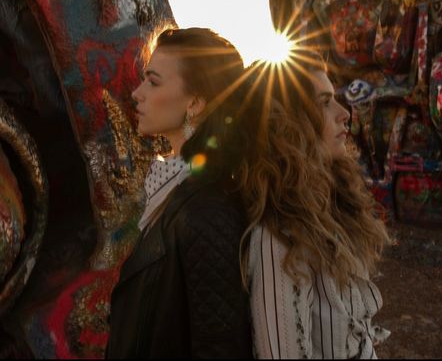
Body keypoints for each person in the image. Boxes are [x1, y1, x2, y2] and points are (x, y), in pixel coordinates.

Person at [105, 27, 253, 359]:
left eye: (154, 82)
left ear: (196, 102)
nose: (137, 94)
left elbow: (219, 347)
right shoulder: (172, 188)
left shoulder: (208, 208)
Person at [238, 49, 391, 359]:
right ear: (288, 125)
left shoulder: (330, 203)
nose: (343, 112)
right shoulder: (278, 239)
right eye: (324, 103)